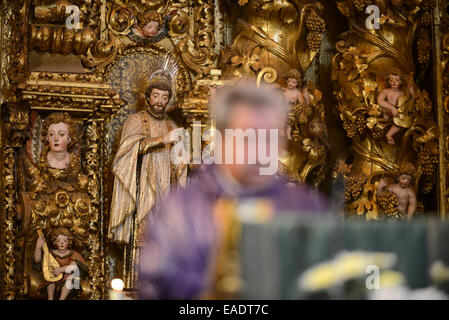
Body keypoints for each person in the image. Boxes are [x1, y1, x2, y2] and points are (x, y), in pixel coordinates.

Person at [139, 82, 330, 299]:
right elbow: (155, 284)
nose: (260, 150)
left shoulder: (305, 207)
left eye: (270, 137)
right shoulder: (182, 208)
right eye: (248, 137)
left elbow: (329, 281)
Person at [108, 70, 187, 244]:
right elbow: (127, 151)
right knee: (143, 232)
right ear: (147, 97)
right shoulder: (135, 120)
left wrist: (184, 154)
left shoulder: (171, 124)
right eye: (156, 96)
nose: (160, 101)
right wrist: (162, 140)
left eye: (165, 97)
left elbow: (180, 159)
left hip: (166, 183)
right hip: (144, 183)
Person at [34, 227, 87, 300]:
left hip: (67, 278)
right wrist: (38, 247)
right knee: (50, 282)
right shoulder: (50, 253)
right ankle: (50, 298)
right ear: (55, 242)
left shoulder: (73, 254)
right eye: (58, 241)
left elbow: (77, 267)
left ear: (69, 242)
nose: (62, 243)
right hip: (53, 277)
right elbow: (37, 260)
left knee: (70, 280)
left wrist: (61, 269)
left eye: (65, 241)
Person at [377, 68, 414, 144]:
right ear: (388, 81)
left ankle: (389, 134)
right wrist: (391, 108)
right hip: (387, 113)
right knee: (388, 117)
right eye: (391, 80)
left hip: (397, 115)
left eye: (397, 80)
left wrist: (412, 93)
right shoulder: (386, 91)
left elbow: (410, 104)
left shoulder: (402, 93)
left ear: (401, 81)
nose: (394, 82)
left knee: (401, 122)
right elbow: (380, 100)